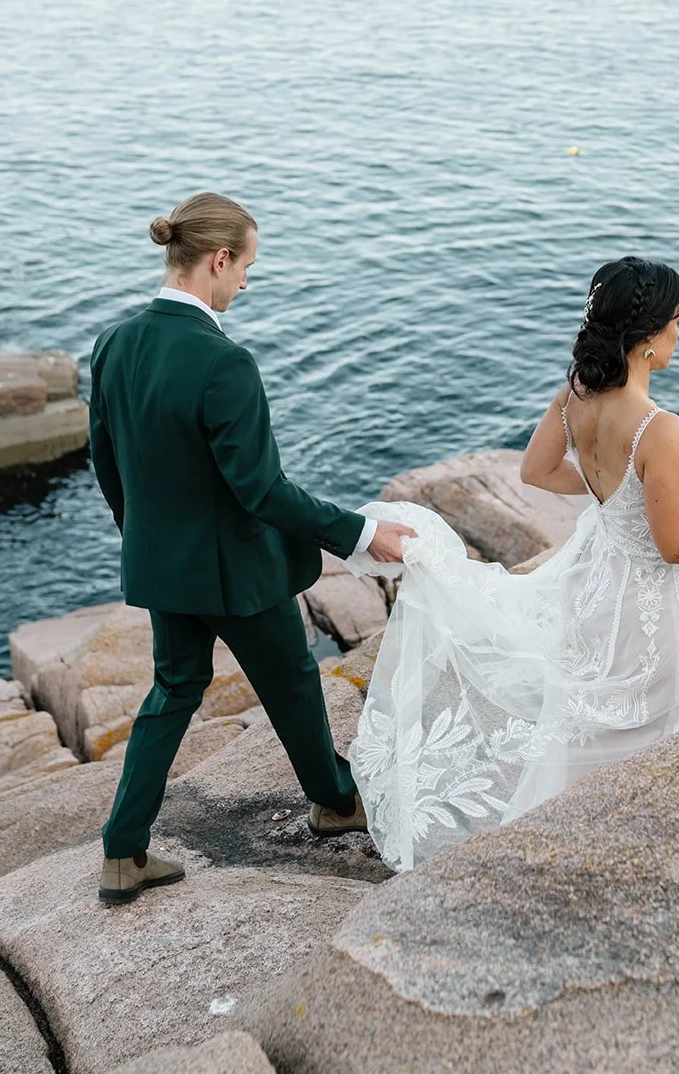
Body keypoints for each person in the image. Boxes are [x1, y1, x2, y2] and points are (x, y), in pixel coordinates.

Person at [348, 255, 679, 871]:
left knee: (588, 705)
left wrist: (617, 499)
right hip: (645, 600)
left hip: (594, 576)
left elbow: (536, 471)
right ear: (648, 336)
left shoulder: (577, 395)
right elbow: (676, 546)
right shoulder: (659, 427)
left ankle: (567, 817)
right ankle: (613, 843)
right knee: (646, 719)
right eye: (677, 323)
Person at [88, 190, 415, 905]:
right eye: (246, 268)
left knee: (173, 691)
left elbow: (107, 464)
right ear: (217, 259)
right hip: (235, 572)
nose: (246, 283)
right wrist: (362, 532)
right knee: (293, 681)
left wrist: (148, 543)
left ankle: (122, 850)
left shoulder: (113, 342)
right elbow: (263, 491)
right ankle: (333, 802)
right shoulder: (221, 361)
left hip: (162, 565)